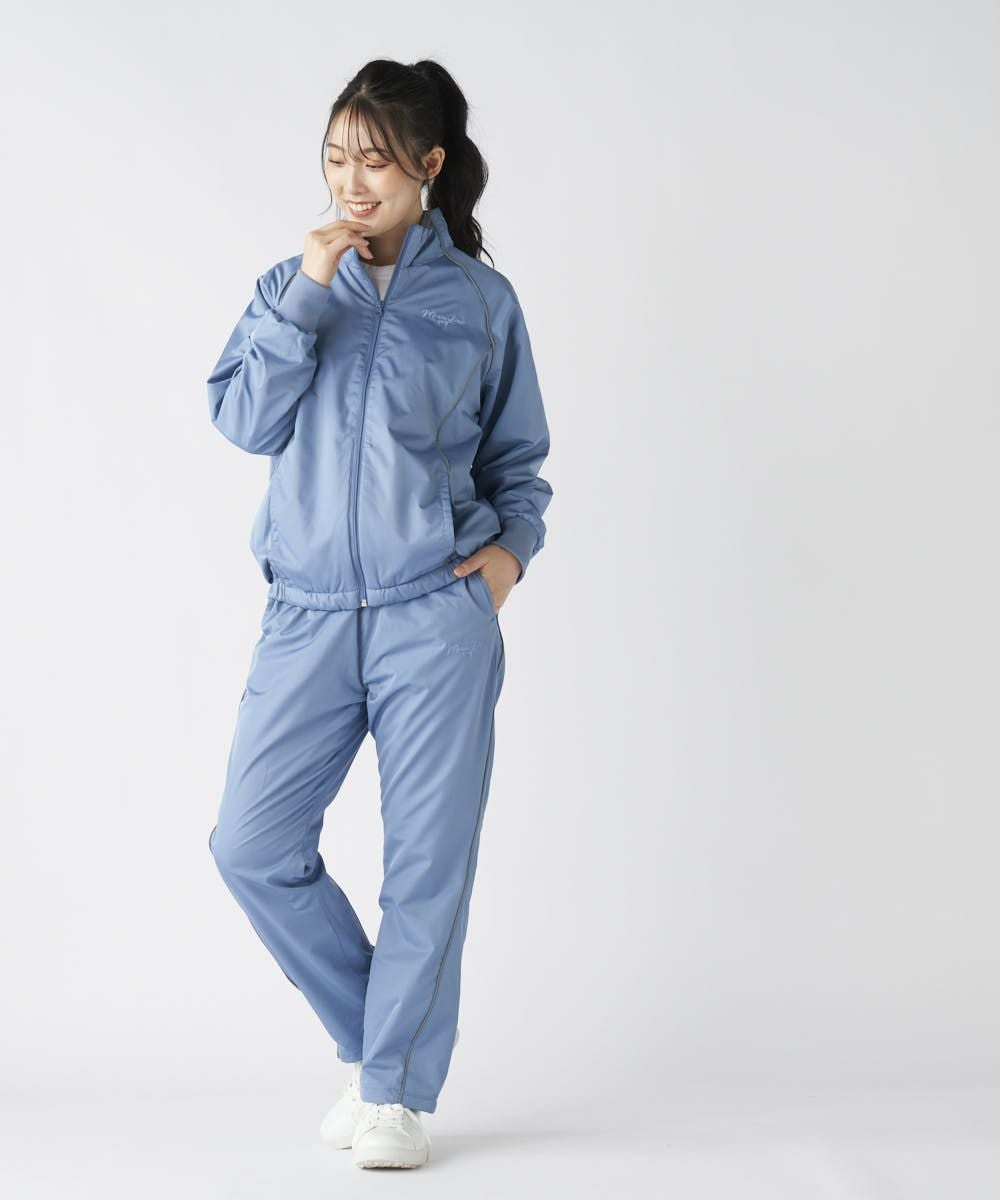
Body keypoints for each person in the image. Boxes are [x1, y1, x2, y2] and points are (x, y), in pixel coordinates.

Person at [205, 58, 553, 1171]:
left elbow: (519, 463)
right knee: (250, 845)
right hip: (307, 615)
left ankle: (395, 1095)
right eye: (336, 158)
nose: (350, 181)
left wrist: (505, 562)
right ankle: (380, 1057)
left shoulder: (482, 304)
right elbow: (245, 422)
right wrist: (308, 293)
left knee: (425, 866)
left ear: (429, 164)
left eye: (375, 160)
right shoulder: (290, 285)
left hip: (432, 617)